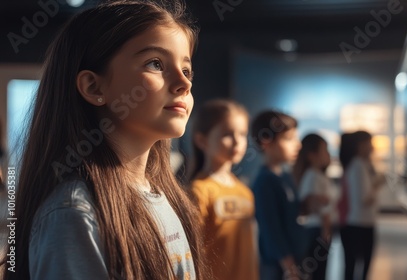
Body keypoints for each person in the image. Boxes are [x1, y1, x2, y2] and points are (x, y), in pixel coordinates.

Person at [0, 1, 208, 279]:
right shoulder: (75, 214)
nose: (185, 83)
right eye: (156, 63)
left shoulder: (166, 198)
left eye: (186, 69)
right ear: (94, 86)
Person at [188, 99, 258, 280]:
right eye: (227, 134)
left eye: (242, 134)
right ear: (202, 140)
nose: (237, 141)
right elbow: (192, 252)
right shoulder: (199, 190)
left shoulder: (245, 192)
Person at [250, 110, 308, 280]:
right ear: (266, 141)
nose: (298, 145)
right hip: (278, 267)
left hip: (294, 259)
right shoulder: (264, 182)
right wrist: (289, 267)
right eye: (289, 139)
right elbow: (271, 230)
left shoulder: (285, 176)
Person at [338, 131, 383, 280]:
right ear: (361, 145)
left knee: (352, 266)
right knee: (357, 267)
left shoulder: (358, 164)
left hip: (357, 223)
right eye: (369, 142)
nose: (372, 146)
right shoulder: (358, 165)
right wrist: (377, 184)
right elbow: (365, 199)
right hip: (358, 223)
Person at [293, 133, 338, 280]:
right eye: (324, 150)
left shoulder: (317, 175)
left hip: (317, 230)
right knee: (318, 273)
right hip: (316, 230)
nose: (328, 155)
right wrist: (326, 229)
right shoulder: (313, 175)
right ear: (312, 155)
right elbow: (312, 203)